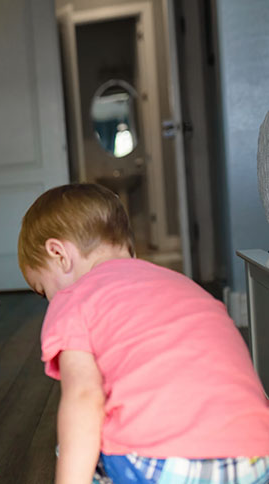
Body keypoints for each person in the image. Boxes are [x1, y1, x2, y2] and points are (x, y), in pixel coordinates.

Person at [17, 183, 269, 484]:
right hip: (255, 455)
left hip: (164, 463)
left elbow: (84, 397)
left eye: (44, 290)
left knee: (79, 447)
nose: (51, 299)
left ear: (59, 254)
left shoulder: (74, 298)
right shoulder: (184, 285)